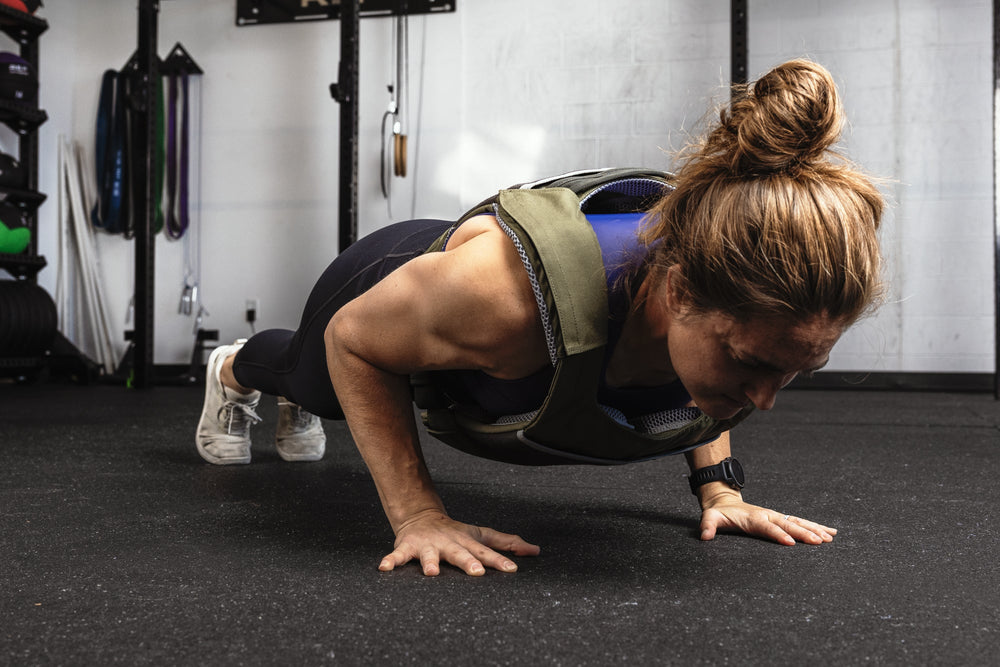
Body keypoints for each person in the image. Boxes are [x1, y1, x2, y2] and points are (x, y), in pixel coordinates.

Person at [195, 59, 884, 577]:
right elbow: (353, 340)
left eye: (798, 369)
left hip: (472, 309)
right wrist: (418, 514)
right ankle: (233, 367)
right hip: (397, 280)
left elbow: (700, 377)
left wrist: (718, 488)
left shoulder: (716, 289)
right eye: (753, 365)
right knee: (311, 381)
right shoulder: (501, 299)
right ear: (677, 293)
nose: (765, 400)